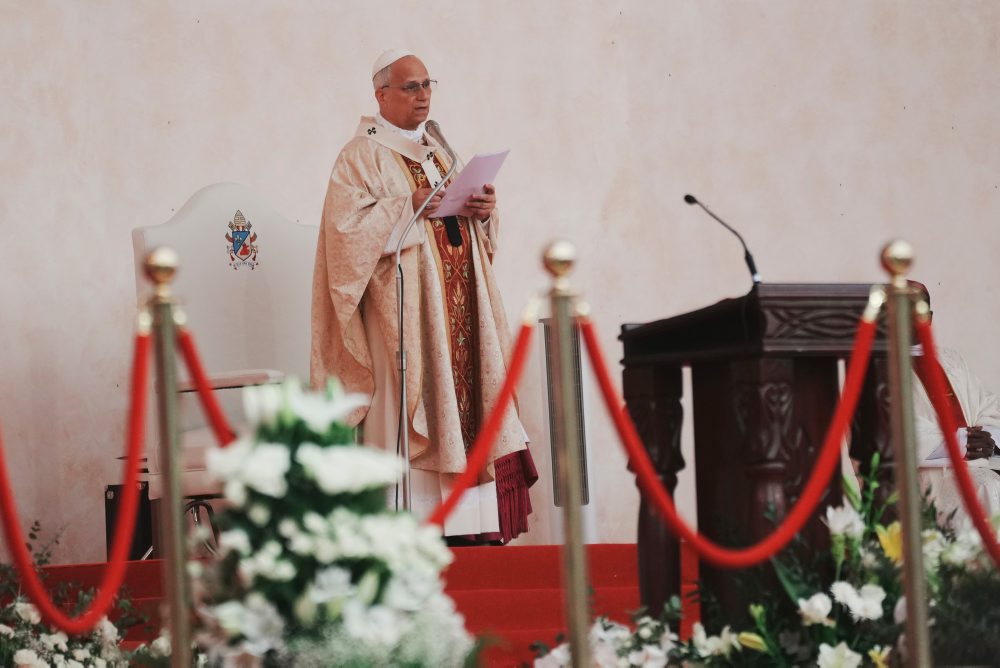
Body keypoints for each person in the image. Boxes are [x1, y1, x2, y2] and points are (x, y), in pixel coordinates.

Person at [310, 49, 536, 544]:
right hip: (408, 318)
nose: (423, 95)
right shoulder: (360, 155)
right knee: (417, 403)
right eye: (411, 87)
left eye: (428, 84)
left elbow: (464, 235)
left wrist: (484, 211)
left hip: (457, 311)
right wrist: (405, 205)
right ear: (381, 95)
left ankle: (471, 525)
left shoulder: (438, 153)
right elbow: (343, 236)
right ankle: (412, 531)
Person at [911, 285, 1000, 527]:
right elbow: (891, 430)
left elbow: (986, 405)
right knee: (986, 485)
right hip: (929, 477)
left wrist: (988, 438)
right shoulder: (879, 367)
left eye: (918, 311)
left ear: (929, 318)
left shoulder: (950, 359)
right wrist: (961, 442)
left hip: (979, 463)